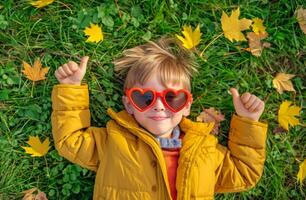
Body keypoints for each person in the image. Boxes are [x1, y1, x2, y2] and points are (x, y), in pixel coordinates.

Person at [52, 37, 268, 200]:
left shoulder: (204, 149)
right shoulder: (113, 140)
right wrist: (71, 89)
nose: (158, 105)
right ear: (129, 105)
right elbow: (71, 140)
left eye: (172, 98)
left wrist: (248, 121)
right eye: (144, 98)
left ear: (187, 107)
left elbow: (243, 172)